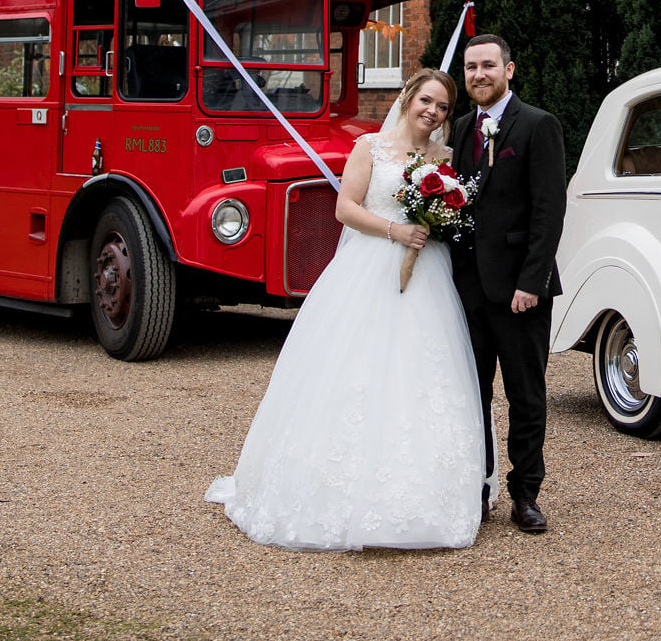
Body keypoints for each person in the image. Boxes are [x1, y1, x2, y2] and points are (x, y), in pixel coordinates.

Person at [205, 68, 481, 550]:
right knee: (353, 368)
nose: (432, 112)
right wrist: (397, 231)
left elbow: (451, 216)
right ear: (408, 97)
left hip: (428, 274)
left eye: (442, 107)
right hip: (370, 265)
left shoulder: (447, 158)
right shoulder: (369, 147)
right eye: (426, 101)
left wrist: (433, 223)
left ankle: (425, 491)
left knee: (423, 372)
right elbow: (345, 208)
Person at [450, 33, 565, 534]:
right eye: (471, 67)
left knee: (525, 394)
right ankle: (476, 488)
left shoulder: (539, 126)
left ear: (509, 70)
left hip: (521, 292)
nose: (479, 74)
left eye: (488, 66)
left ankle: (526, 494)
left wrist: (532, 281)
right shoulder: (456, 130)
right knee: (470, 395)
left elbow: (549, 210)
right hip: (466, 290)